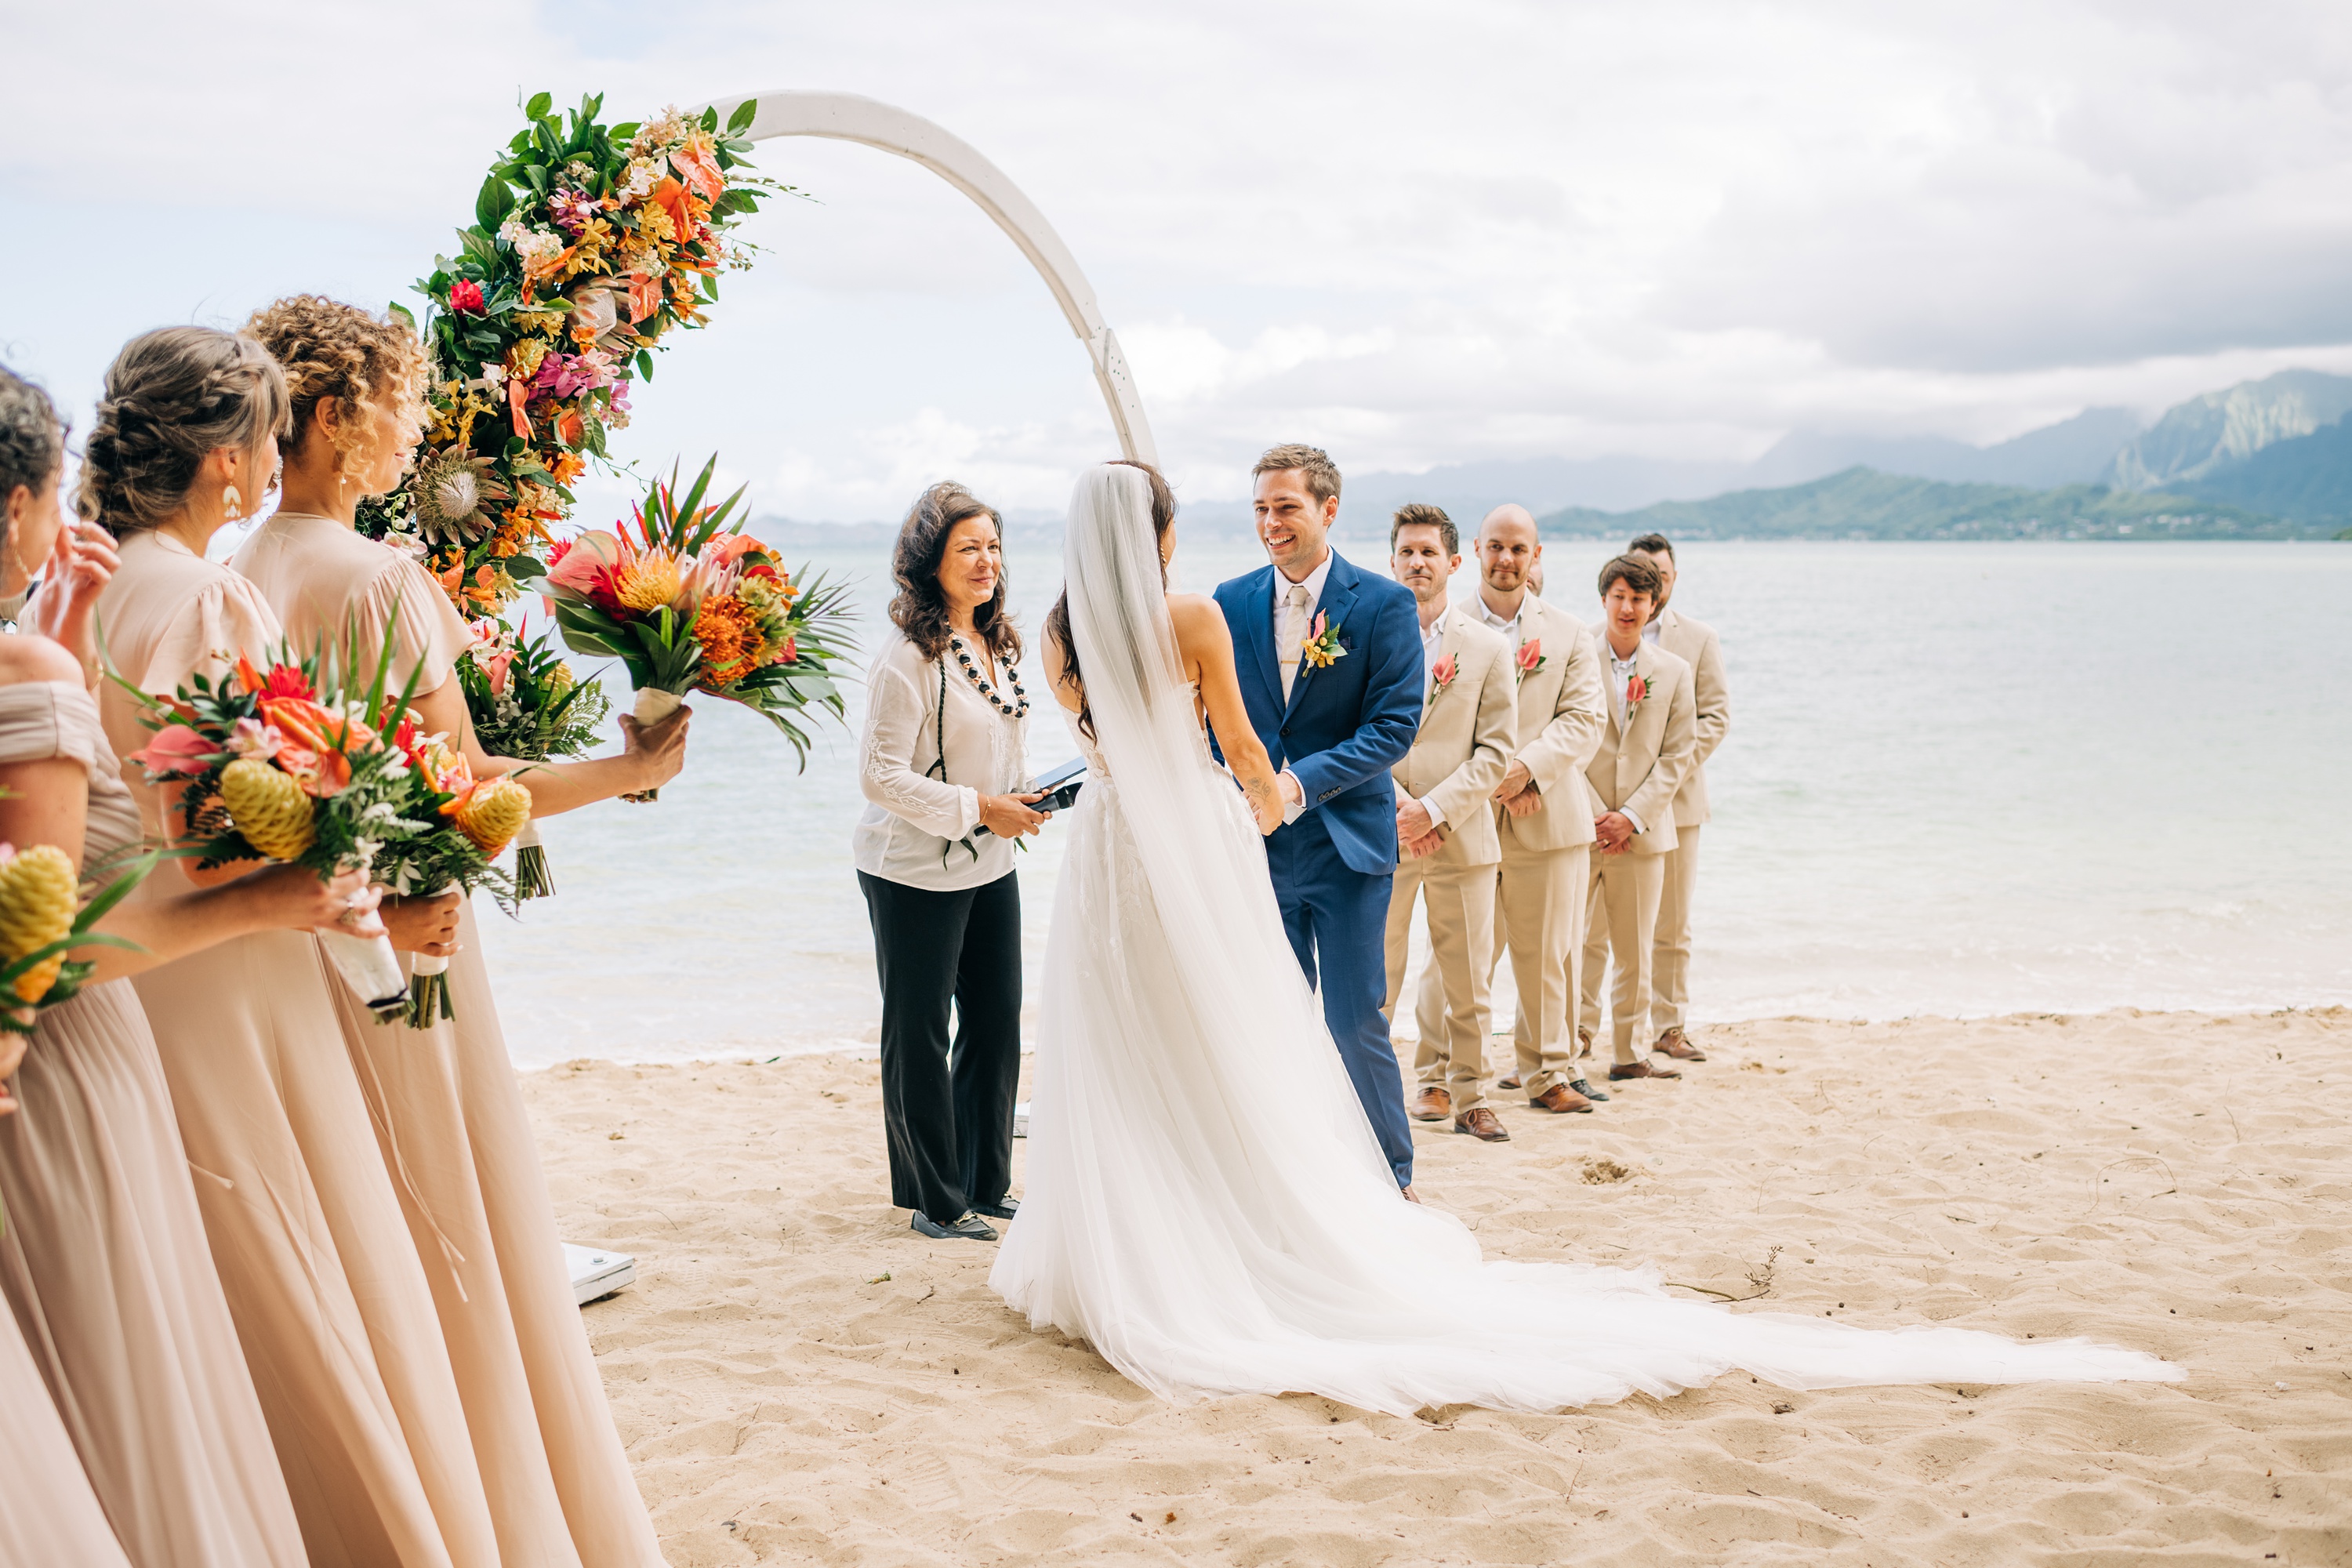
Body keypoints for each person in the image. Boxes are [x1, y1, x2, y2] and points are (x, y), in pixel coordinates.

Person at [990, 459, 2176, 1414]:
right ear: (1153, 531)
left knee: (1138, 1038)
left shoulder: (1057, 633)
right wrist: (1249, 800)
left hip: (1110, 859)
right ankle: (1252, 1225)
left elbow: (1110, 755)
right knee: (1232, 1034)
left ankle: (1130, 1242)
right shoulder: (1195, 612)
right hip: (1194, 841)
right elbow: (1240, 752)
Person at [233, 295, 688, 1567]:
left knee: (350, 1213)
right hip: (410, 945)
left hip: (292, 950)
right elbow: (472, 794)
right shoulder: (380, 578)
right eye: (396, 408)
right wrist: (625, 769)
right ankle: (484, 1499)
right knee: (450, 1211)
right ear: (332, 416)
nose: (413, 432)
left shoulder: (239, 572)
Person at [86, 325, 507, 1567]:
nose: (275, 462)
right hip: (241, 978)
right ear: (228, 460)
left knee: (206, 1277)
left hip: (129, 976)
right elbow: (220, 836)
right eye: (266, 436)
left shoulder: (77, 588)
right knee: (309, 1263)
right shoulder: (209, 596)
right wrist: (376, 896)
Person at [0, 365, 355, 1566]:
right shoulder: (82, 656)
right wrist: (299, 878)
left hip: (91, 1025)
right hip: (80, 1053)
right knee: (132, 1369)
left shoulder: (54, 638)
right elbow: (59, 945)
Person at [1210, 445, 1422, 1193]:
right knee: (1268, 1014)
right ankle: (1288, 1177)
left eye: (1287, 506)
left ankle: (1391, 1175)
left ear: (1329, 510)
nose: (1271, 522)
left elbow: (1394, 727)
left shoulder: (1384, 604)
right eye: (1262, 507)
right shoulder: (1227, 602)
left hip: (1348, 845)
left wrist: (1294, 786)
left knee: (1354, 1018)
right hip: (1254, 850)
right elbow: (1213, 718)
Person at [855, 481, 1044, 1242]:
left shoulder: (996, 644)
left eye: (993, 546)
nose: (985, 560)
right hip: (909, 870)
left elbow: (997, 740)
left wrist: (1018, 802)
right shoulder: (906, 658)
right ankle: (936, 1197)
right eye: (968, 547)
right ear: (930, 561)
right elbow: (880, 776)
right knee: (920, 1030)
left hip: (989, 862)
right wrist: (978, 807)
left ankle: (984, 1181)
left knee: (996, 1022)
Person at [1444, 505, 1610, 1113]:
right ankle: (1440, 1076)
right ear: (1476, 552)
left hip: (1547, 811)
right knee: (1459, 955)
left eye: (1519, 549)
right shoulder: (1446, 625)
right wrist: (1484, 780)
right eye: (1496, 547)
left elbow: (1587, 718)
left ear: (1536, 556)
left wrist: (1526, 769)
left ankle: (1548, 1074)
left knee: (1548, 954)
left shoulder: (1568, 633)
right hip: (1467, 814)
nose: (1507, 559)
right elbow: (1432, 725)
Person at [1379, 505, 1515, 1141]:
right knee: (1376, 978)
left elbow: (1496, 751)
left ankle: (1472, 1096)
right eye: (1406, 552)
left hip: (1461, 836)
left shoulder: (1488, 648)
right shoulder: (1362, 638)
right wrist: (1400, 808)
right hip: (1381, 832)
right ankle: (1367, 1102)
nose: (1417, 563)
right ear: (1392, 561)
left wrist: (1433, 810)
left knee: (1469, 980)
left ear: (1454, 564)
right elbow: (1348, 737)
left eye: (1429, 552)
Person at [1579, 554, 1697, 1085]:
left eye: (1639, 599)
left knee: (1635, 949)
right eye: (1619, 596)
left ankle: (1628, 1053)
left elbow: (1678, 755)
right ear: (1604, 599)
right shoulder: (1573, 657)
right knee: (1566, 945)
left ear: (1655, 606)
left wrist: (1630, 816)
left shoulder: (1674, 672)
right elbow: (1555, 735)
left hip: (1643, 833)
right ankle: (1558, 1049)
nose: (1628, 608)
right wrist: (1594, 813)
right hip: (1578, 826)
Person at [1627, 532, 1728, 1062]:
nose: (1652, 584)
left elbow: (1717, 716)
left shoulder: (1699, 638)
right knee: (1599, 926)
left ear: (1672, 579)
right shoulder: (1602, 635)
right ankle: (1583, 1030)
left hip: (1681, 802)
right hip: (1615, 807)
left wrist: (1669, 772)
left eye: (1661, 576)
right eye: (1642, 574)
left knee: (1673, 922)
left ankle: (1669, 1026)